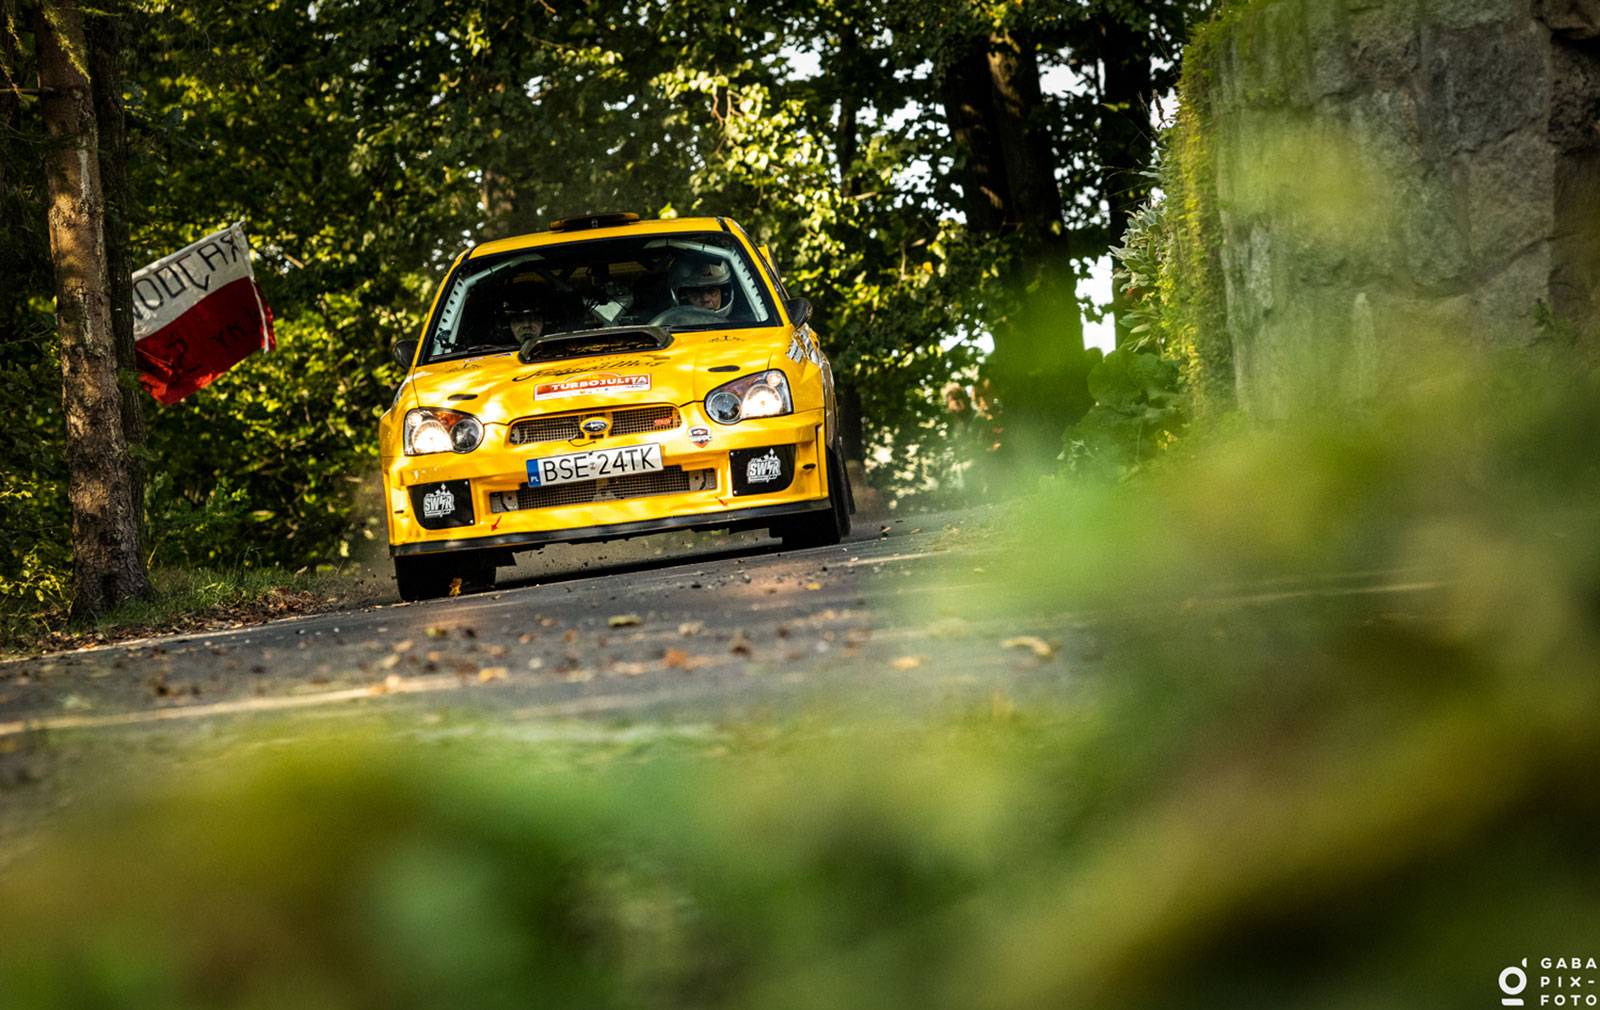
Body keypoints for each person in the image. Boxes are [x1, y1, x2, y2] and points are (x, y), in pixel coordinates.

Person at [668, 256, 734, 315]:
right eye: (696, 291)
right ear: (683, 296)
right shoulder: (669, 323)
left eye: (712, 290)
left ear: (723, 293)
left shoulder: (737, 323)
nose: (705, 299)